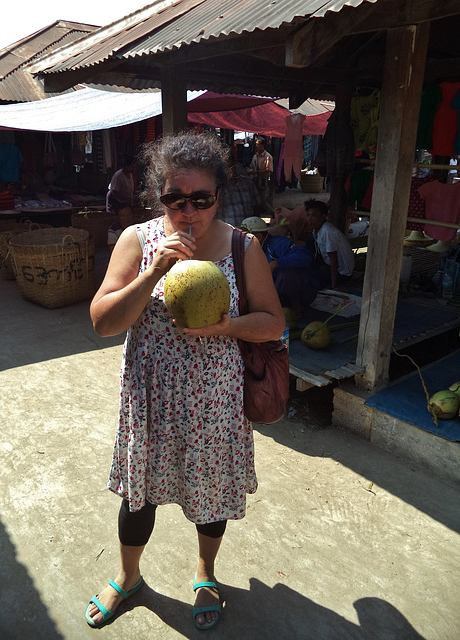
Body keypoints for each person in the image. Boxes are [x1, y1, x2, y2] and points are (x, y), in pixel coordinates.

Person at [86, 131, 284, 631]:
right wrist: (153, 273)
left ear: (219, 195)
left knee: (209, 496)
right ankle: (130, 577)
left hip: (214, 401)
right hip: (151, 398)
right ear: (160, 197)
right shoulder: (137, 241)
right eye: (176, 200)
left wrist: (229, 327)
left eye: (202, 199)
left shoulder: (243, 246)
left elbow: (273, 323)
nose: (188, 211)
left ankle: (205, 572)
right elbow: (103, 321)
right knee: (139, 497)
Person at [242, 210, 319, 322]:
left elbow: (305, 255)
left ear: (258, 236)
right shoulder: (249, 250)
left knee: (287, 274)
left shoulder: (278, 243)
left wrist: (275, 264)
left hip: (304, 292)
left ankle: (296, 310)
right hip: (276, 293)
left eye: (244, 235)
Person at [305, 199, 355, 290]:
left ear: (323, 216)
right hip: (328, 265)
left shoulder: (327, 231)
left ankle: (331, 282)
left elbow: (333, 259)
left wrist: (334, 285)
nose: (309, 219)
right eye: (308, 215)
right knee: (309, 240)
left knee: (307, 276)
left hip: (342, 273)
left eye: (314, 216)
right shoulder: (316, 230)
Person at [106, 155, 136, 251]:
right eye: (132, 166)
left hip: (126, 201)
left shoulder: (130, 175)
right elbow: (114, 191)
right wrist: (123, 200)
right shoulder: (118, 175)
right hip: (117, 200)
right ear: (128, 165)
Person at [249, 137, 274, 205]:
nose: (257, 146)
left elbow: (269, 170)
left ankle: (271, 213)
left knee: (263, 200)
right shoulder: (255, 156)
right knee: (255, 200)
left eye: (258, 144)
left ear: (263, 145)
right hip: (255, 180)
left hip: (263, 181)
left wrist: (257, 172)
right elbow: (251, 166)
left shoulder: (267, 156)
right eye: (256, 144)